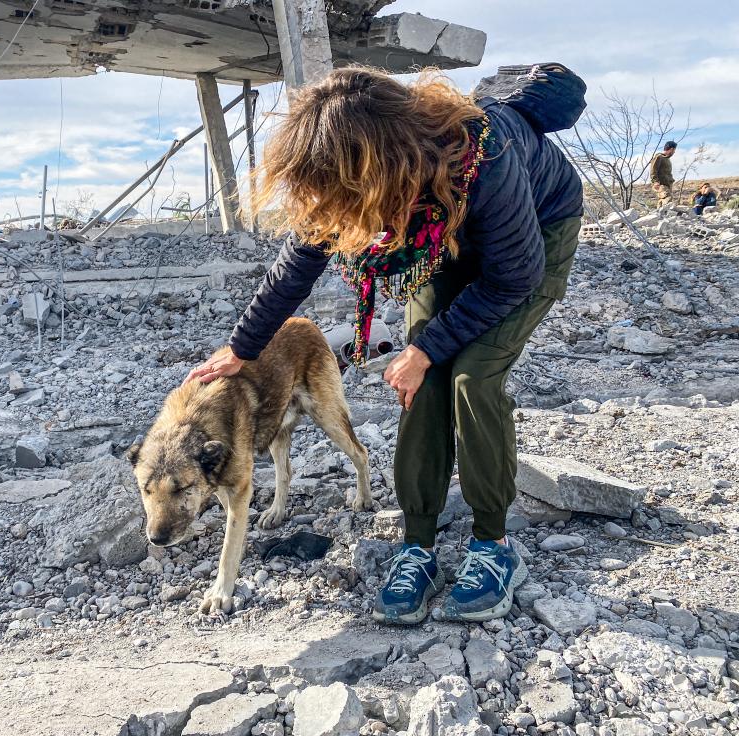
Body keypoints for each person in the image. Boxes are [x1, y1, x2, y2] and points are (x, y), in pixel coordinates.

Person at [186, 66, 582, 624]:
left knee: (471, 375)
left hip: (531, 239)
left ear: (383, 163)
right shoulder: (350, 181)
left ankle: (493, 546)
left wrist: (427, 348)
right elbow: (300, 261)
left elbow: (513, 277)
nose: (334, 202)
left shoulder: (484, 156)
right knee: (419, 383)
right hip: (440, 238)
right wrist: (243, 347)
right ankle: (418, 541)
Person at [650, 141, 677, 206]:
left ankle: (660, 215)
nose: (674, 152)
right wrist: (655, 181)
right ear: (671, 149)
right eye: (674, 150)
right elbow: (653, 170)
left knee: (662, 202)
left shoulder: (667, 160)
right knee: (668, 199)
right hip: (661, 185)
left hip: (668, 185)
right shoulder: (659, 157)